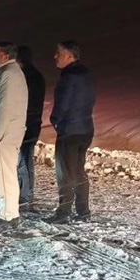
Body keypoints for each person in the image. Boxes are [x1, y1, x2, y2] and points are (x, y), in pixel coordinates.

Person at [47, 40, 96, 223]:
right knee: (78, 171)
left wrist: (56, 120)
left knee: (65, 173)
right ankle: (83, 212)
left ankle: (63, 213)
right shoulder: (86, 74)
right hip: (85, 128)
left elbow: (63, 103)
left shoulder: (69, 76)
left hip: (70, 130)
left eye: (58, 53)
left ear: (69, 55)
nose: (55, 57)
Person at [0, 42, 28, 232]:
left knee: (3, 175)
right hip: (9, 130)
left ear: (5, 55)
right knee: (6, 174)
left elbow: (6, 106)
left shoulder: (9, 73)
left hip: (5, 133)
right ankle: (10, 213)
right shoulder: (10, 72)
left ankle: (7, 216)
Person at [16, 45, 46, 210]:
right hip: (33, 123)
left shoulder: (25, 77)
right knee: (26, 160)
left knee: (22, 160)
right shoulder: (36, 76)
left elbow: (25, 103)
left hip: (25, 124)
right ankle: (26, 195)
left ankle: (25, 196)